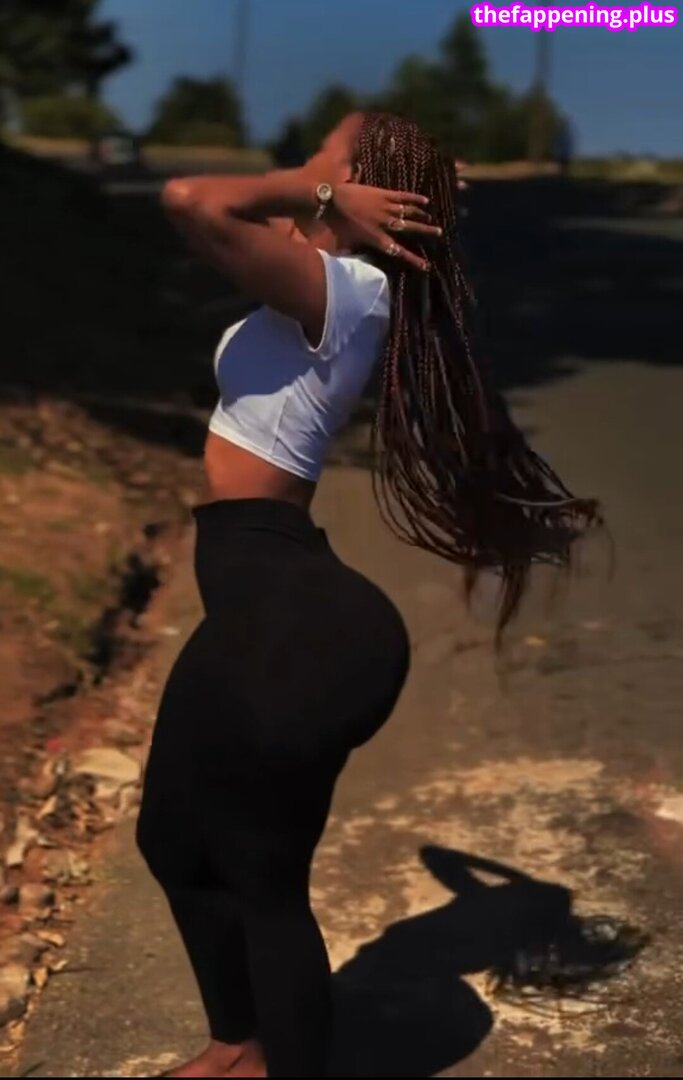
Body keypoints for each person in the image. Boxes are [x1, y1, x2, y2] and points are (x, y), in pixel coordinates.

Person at [136, 112, 599, 1079]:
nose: (307, 156)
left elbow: (190, 199)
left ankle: (278, 1062)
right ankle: (237, 1046)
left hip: (295, 622)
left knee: (260, 872)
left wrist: (321, 192)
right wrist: (349, 191)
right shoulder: (322, 275)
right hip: (270, 608)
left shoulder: (345, 292)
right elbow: (239, 212)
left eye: (326, 148)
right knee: (173, 840)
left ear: (354, 183)